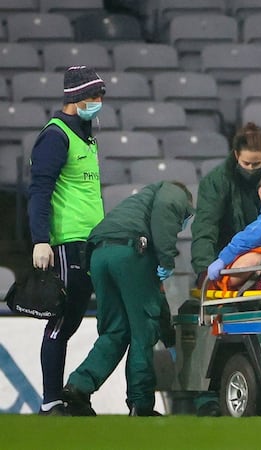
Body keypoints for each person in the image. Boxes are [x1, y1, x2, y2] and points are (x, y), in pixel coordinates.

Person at [62, 181, 194, 416]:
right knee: (142, 332)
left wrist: (170, 338)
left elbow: (155, 299)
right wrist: (166, 259)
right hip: (131, 252)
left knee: (115, 331)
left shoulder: (134, 206)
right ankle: (140, 403)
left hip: (98, 255)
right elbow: (166, 211)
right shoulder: (173, 191)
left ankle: (78, 387)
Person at [28, 65, 106, 416]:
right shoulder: (55, 136)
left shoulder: (86, 136)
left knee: (70, 322)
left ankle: (60, 398)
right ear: (76, 98)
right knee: (61, 323)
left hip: (88, 243)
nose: (99, 102)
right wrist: (40, 240)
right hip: (65, 243)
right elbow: (40, 190)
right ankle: (50, 402)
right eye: (94, 96)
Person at [191, 122, 261, 287]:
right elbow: (205, 226)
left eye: (256, 164)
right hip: (229, 254)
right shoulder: (217, 181)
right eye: (246, 163)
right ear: (236, 155)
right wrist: (204, 269)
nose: (250, 169)